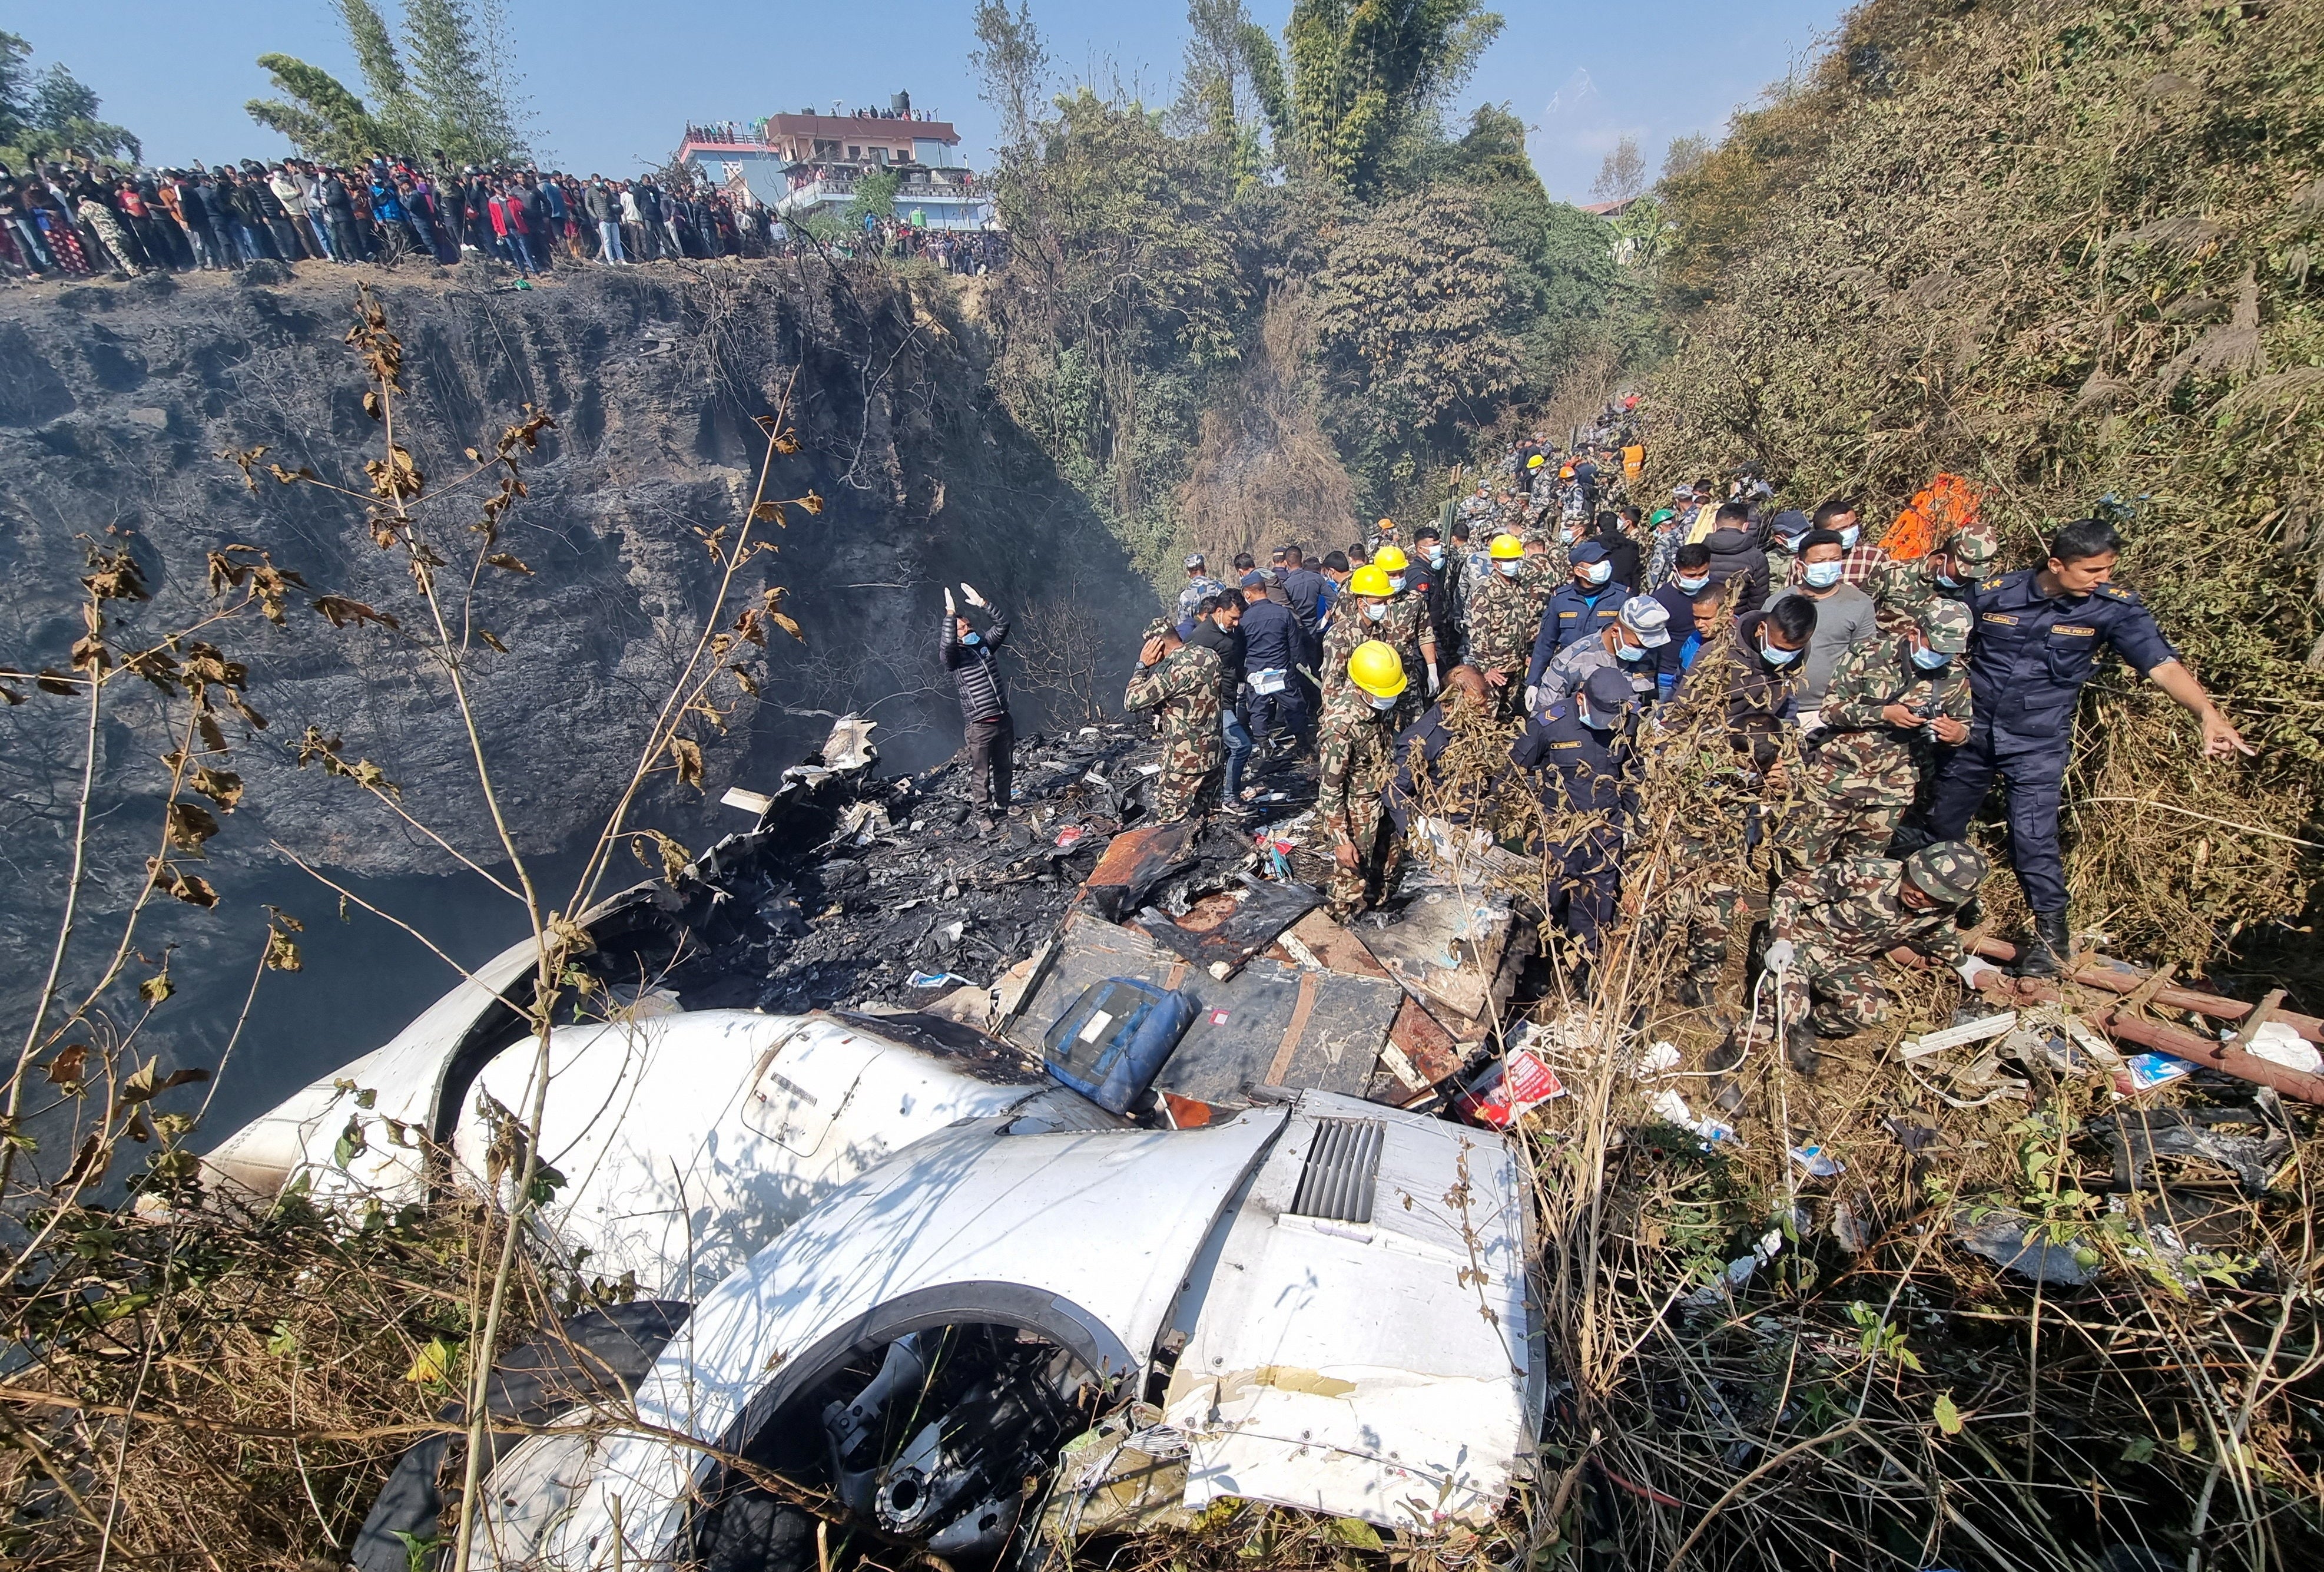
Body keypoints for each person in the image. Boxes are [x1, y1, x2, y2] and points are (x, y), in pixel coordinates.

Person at [1908, 517, 2254, 977]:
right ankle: (1939, 912)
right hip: (1970, 735)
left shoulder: (2112, 609)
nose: (2101, 580)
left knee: (2032, 839)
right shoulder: (1993, 593)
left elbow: (2161, 664)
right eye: (2091, 571)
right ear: (2056, 564)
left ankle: (2051, 940)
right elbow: (1938, 644)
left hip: (2037, 744)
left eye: (2108, 569)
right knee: (1941, 824)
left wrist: (2207, 714)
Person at [1764, 842, 1991, 1075]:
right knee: (1787, 1008)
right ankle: (1782, 1024)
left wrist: (1962, 963)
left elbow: (1939, 935)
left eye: (1933, 895)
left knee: (1871, 1011)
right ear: (1910, 868)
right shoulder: (1866, 874)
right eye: (1918, 881)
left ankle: (1804, 1029)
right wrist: (1782, 938)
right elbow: (1791, 891)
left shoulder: (1940, 910)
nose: (1919, 894)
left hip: (1850, 957)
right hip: (1803, 939)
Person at [1783, 600, 1973, 868]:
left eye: (1948, 651)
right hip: (1836, 777)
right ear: (1915, 633)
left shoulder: (1953, 675)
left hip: (1892, 789)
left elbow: (1965, 725)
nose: (1940, 655)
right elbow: (1830, 711)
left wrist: (1957, 734)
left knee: (1863, 869)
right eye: (1935, 647)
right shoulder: (1869, 655)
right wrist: (1884, 714)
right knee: (1803, 859)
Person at [1513, 666, 1640, 975]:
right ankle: (1531, 974)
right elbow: (1514, 772)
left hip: (1605, 831)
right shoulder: (1549, 724)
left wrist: (1635, 823)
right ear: (1581, 698)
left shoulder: (1627, 721)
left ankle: (1583, 975)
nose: (1607, 724)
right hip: (1558, 832)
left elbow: (1633, 774)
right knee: (1543, 904)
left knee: (1595, 908)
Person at [1317, 641, 1407, 920]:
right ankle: (1338, 930)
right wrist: (1342, 840)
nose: (1390, 699)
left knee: (1388, 864)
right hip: (1356, 811)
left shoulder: (1380, 702)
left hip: (1384, 798)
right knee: (1351, 880)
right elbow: (1330, 789)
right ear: (1361, 687)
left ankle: (1377, 910)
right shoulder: (1340, 727)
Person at [1766, 528, 1881, 730]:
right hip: (1781, 708)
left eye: (1834, 560)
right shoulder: (1777, 603)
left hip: (1831, 710)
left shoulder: (1859, 603)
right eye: (1819, 562)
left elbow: (1865, 659)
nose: (1827, 566)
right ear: (1801, 565)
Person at [1125, 617, 1225, 823]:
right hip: (1214, 756)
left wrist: (1142, 666)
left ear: (1157, 645)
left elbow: (1132, 701)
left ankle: (1182, 856)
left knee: (1173, 823)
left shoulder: (1172, 672)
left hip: (1183, 763)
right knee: (1209, 819)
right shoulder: (1211, 656)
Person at [939, 583, 1014, 832]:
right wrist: (950, 615)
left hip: (1002, 718)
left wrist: (983, 604)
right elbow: (947, 646)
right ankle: (983, 815)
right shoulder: (955, 658)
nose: (968, 629)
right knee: (981, 774)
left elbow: (1003, 625)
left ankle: (1005, 804)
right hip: (979, 724)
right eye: (963, 628)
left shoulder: (983, 647)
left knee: (1005, 766)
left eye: (969, 625)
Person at [1533, 594, 1670, 716]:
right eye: (1637, 645)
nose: (1644, 651)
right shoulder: (1573, 660)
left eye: (1648, 646)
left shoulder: (1652, 655)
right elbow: (1545, 716)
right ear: (1615, 632)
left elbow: (1651, 701)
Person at [1527, 542, 1630, 694]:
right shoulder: (1561, 598)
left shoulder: (1622, 597)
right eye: (1595, 563)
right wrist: (1533, 683)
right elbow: (1545, 643)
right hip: (1567, 677)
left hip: (1605, 677)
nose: (1603, 565)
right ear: (1578, 571)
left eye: (1603, 561)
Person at [1185, 588, 1252, 803]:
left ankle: (1216, 796)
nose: (1236, 623)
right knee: (1242, 746)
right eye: (1233, 618)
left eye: (1239, 619)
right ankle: (1230, 798)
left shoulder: (1234, 632)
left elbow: (1234, 664)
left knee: (1223, 752)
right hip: (1212, 705)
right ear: (1220, 611)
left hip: (1230, 698)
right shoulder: (1202, 637)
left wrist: (1252, 678)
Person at [1463, 534, 1540, 716]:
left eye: (1515, 559)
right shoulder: (1485, 592)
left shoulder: (1518, 587)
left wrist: (1525, 655)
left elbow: (1522, 624)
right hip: (1496, 668)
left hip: (1517, 665)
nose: (1514, 563)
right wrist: (1486, 669)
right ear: (1496, 563)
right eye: (1508, 560)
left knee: (1508, 713)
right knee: (1488, 714)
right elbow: (1478, 634)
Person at [1238, 571, 1306, 752]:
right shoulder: (1283, 613)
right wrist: (1295, 667)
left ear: (1247, 594)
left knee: (1258, 710)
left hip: (1256, 673)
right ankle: (1304, 745)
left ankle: (1264, 747)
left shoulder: (1243, 620)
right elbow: (1295, 647)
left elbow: (1240, 649)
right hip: (1282, 671)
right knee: (1294, 707)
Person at [1703, 502, 1770, 613]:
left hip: (1701, 618)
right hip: (1736, 622)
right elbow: (1758, 603)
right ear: (1745, 527)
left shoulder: (1699, 551)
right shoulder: (1757, 558)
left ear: (1714, 526)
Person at [1812, 497, 1889, 588]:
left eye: (1853, 524)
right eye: (1842, 528)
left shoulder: (1872, 555)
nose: (1850, 531)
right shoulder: (1804, 560)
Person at [1175, 552, 1226, 625]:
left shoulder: (1185, 595)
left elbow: (1183, 625)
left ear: (1188, 573)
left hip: (1197, 634)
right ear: (1205, 568)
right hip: (1220, 632)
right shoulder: (1218, 586)